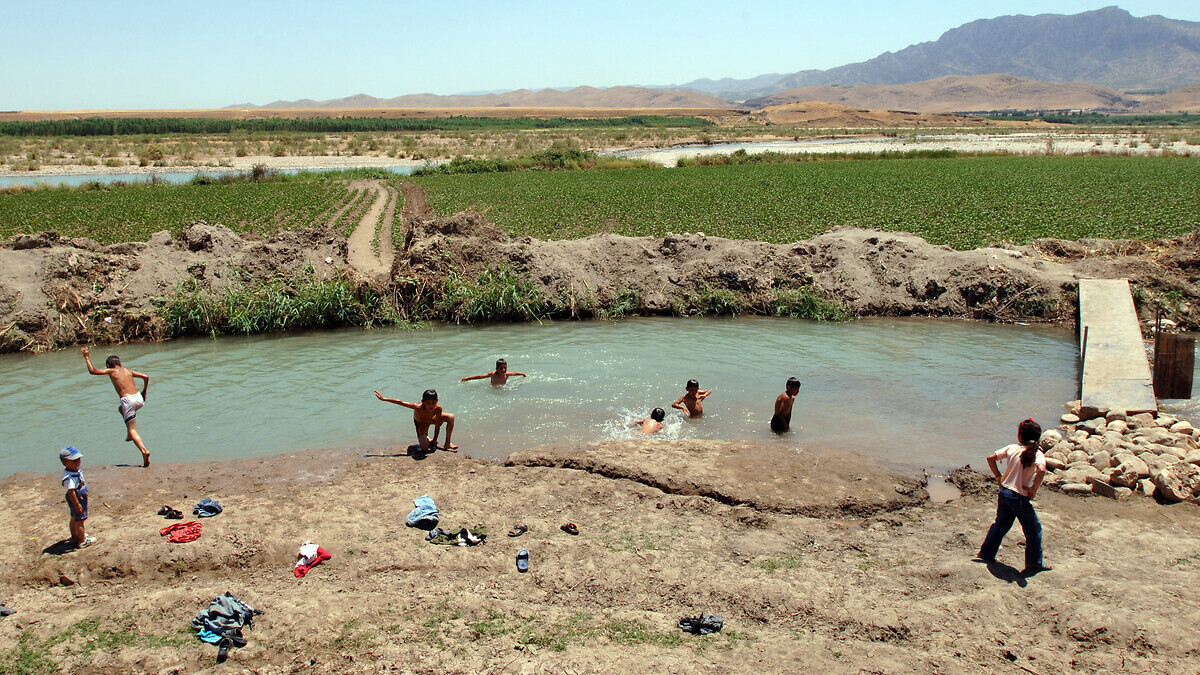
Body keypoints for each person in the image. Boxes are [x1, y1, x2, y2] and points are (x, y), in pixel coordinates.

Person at [976, 418, 1053, 576]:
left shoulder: (1012, 448)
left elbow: (990, 458)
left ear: (1020, 436)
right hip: (1019, 497)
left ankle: (986, 553)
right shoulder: (1037, 454)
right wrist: (1033, 490)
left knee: (1001, 525)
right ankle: (1034, 561)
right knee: (1033, 529)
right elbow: (1042, 470)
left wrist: (998, 477)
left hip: (1004, 492)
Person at [81, 347, 150, 467]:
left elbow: (93, 371)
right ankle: (129, 433)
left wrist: (87, 357)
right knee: (120, 409)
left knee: (132, 429)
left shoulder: (111, 371)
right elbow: (146, 376)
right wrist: (144, 391)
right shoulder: (128, 371)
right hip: (138, 398)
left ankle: (144, 451)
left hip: (128, 400)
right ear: (121, 364)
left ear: (108, 366)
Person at [374, 389, 458, 451]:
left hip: (432, 419)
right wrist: (384, 399)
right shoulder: (417, 407)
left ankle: (447, 443)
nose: (431, 406)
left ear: (437, 401)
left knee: (450, 417)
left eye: (433, 403)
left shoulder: (438, 408)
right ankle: (427, 438)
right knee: (424, 449)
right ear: (423, 402)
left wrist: (435, 440)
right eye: (427, 403)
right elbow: (401, 402)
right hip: (421, 424)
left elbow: (437, 425)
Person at [60, 446, 96, 549]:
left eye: (78, 459)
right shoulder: (69, 478)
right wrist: (77, 505)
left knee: (74, 517)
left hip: (80, 495)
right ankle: (82, 540)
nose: (77, 462)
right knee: (80, 519)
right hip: (77, 498)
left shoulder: (75, 471)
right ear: (65, 462)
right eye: (74, 460)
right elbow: (71, 492)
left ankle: (74, 536)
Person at [460, 358, 527, 386]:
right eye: (501, 368)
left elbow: (515, 373)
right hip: (494, 389)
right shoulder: (493, 374)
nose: (504, 370)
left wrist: (522, 374)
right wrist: (467, 378)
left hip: (503, 388)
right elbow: (480, 376)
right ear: (496, 369)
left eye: (505, 368)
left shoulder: (507, 374)